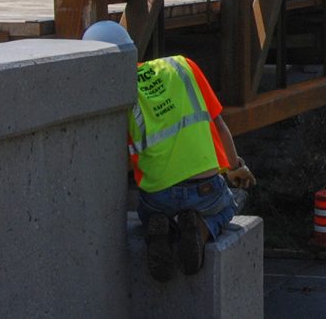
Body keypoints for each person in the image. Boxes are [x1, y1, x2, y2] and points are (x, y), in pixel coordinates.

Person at [82, 21, 257, 282]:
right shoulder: (183, 65)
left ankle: (160, 228)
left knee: (148, 211)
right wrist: (234, 167)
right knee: (228, 205)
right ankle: (201, 229)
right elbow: (218, 125)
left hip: (158, 196)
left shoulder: (121, 98)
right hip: (205, 189)